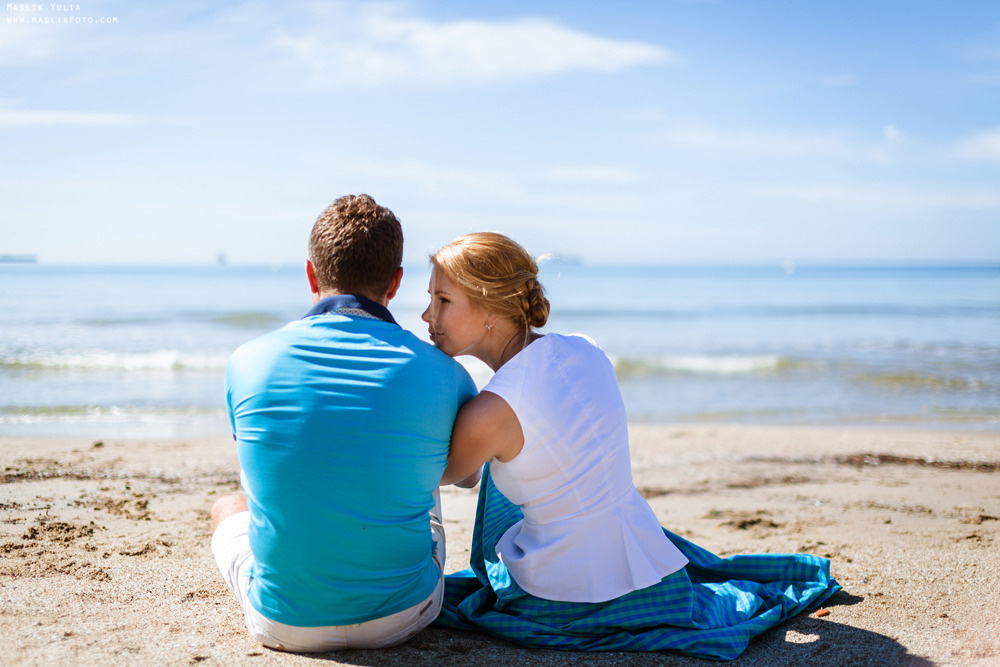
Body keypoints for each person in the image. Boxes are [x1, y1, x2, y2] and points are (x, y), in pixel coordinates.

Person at [422, 232, 840, 661]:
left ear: (492, 308)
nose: (426, 314)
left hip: (568, 586)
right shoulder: (584, 348)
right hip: (644, 557)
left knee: (480, 516)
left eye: (443, 300)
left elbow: (457, 473)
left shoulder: (493, 410)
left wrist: (447, 386)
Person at [210, 194, 477, 653]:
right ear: (395, 283)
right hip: (404, 615)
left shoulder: (247, 360)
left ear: (312, 273)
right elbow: (468, 475)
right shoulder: (446, 372)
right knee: (418, 470)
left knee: (229, 504)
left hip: (283, 624)